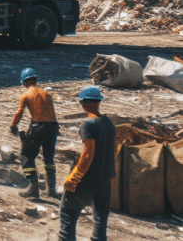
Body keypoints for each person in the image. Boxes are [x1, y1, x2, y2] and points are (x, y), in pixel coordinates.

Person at [58, 86, 115, 241]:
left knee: (67, 214)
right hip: (105, 181)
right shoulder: (109, 123)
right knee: (100, 220)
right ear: (98, 102)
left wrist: (75, 177)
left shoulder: (88, 124)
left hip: (87, 179)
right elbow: (112, 150)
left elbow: (88, 154)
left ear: (83, 104)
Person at [10, 68, 60, 199]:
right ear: (35, 80)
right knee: (49, 158)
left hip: (39, 127)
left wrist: (13, 126)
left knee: (27, 156)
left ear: (25, 82)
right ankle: (52, 190)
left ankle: (33, 188)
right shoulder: (46, 93)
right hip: (53, 127)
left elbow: (19, 112)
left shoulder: (26, 95)